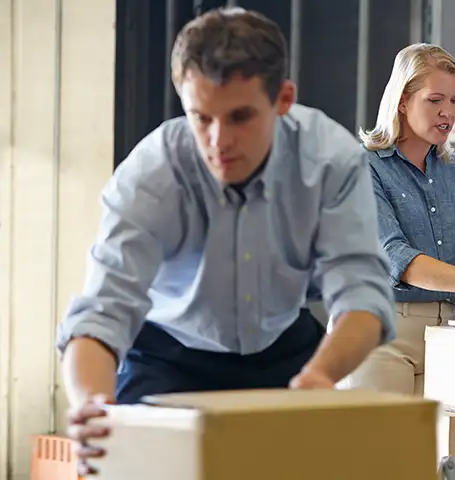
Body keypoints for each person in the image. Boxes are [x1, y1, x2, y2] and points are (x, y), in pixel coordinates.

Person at [58, 7, 395, 476]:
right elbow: (102, 310)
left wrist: (321, 377)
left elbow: (362, 295)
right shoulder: (150, 175)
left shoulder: (331, 161)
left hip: (286, 351)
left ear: (282, 98)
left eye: (240, 117)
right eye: (201, 117)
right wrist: (92, 405)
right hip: (167, 353)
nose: (219, 141)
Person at [337, 44, 455, 396]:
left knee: (439, 451)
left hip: (446, 336)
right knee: (383, 450)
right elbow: (396, 257)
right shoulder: (363, 167)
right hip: (379, 336)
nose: (448, 113)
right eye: (435, 100)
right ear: (403, 101)